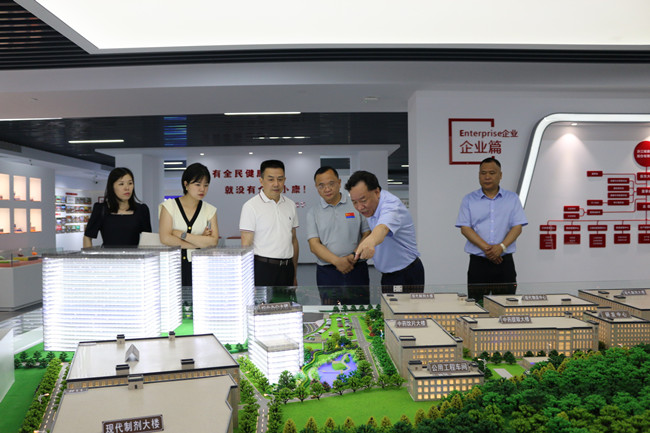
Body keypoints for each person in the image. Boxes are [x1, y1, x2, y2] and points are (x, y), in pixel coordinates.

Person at [455, 157, 528, 301]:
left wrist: (501, 247)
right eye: (483, 173)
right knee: (477, 304)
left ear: (500, 175)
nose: (487, 177)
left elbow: (517, 227)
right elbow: (465, 228)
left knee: (506, 304)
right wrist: (489, 250)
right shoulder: (469, 199)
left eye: (492, 173)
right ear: (479, 175)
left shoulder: (512, 199)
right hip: (478, 263)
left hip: (504, 262)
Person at [345, 170, 424, 290]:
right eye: (354, 202)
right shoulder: (372, 206)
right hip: (388, 274)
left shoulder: (391, 206)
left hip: (405, 273)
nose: (359, 207)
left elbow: (382, 228)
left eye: (363, 200)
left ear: (377, 192)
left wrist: (370, 242)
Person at [306, 167, 371, 303]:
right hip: (328, 272)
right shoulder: (313, 213)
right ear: (316, 187)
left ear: (339, 182)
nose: (327, 189)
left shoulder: (356, 205)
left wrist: (353, 256)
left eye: (331, 183)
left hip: (356, 268)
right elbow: (314, 245)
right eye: (321, 186)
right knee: (331, 311)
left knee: (360, 309)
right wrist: (337, 261)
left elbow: (367, 234)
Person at [159, 162, 219, 288]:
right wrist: (199, 241)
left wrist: (181, 235)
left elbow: (213, 241)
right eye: (197, 184)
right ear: (186, 184)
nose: (202, 189)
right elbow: (165, 238)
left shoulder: (210, 210)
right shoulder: (169, 206)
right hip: (172, 266)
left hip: (200, 267)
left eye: (206, 185)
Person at [239, 160, 299, 287]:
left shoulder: (291, 205)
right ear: (261, 181)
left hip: (287, 269)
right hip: (262, 269)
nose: (276, 184)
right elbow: (246, 245)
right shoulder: (250, 206)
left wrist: (294, 273)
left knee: (287, 300)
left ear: (285, 180)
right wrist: (246, 278)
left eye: (280, 179)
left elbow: (293, 240)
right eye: (271, 179)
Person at [83, 167, 151, 247]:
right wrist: (89, 255)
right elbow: (87, 237)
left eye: (130, 183)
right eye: (121, 184)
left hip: (134, 255)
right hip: (108, 255)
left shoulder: (142, 210)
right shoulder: (101, 209)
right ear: (112, 186)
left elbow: (148, 239)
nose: (127, 188)